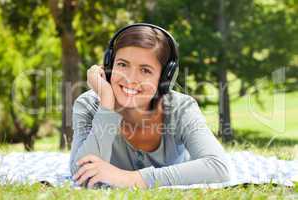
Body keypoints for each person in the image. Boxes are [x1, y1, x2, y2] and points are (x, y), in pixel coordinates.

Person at [70, 23, 230, 189]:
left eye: (145, 70)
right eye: (122, 65)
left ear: (164, 79)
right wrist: (107, 106)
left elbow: (218, 167)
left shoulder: (182, 108)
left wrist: (133, 179)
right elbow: (80, 174)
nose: (130, 79)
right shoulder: (88, 105)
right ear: (109, 66)